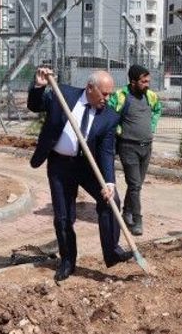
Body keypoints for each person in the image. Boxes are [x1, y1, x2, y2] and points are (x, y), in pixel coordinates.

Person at [27, 66, 133, 282]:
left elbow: (106, 151)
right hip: (59, 165)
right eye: (104, 94)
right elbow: (35, 105)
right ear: (90, 88)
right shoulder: (62, 94)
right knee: (63, 217)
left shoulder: (109, 117)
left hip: (87, 165)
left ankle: (112, 251)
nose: (108, 98)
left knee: (111, 200)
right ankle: (67, 261)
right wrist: (38, 86)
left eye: (111, 94)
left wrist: (109, 182)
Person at [107, 64, 162, 236]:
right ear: (133, 82)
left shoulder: (151, 96)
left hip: (147, 147)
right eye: (144, 82)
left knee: (136, 186)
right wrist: (118, 130)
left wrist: (151, 127)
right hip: (128, 147)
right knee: (135, 185)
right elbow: (109, 115)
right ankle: (137, 220)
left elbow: (157, 110)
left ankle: (126, 211)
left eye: (148, 81)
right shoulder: (121, 96)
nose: (147, 84)